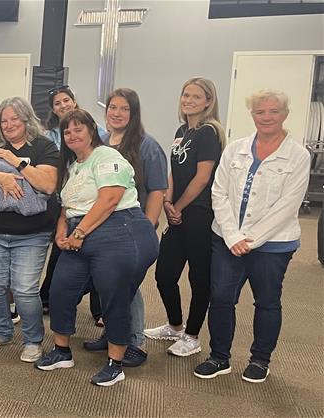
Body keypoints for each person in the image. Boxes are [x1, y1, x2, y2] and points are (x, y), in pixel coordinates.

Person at [34, 109, 158, 387]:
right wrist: (62, 232)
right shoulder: (73, 165)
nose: (72, 135)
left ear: (92, 131)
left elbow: (110, 198)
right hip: (82, 231)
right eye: (67, 132)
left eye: (79, 129)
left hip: (118, 228)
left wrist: (79, 231)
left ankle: (116, 363)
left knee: (112, 294)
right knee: (60, 289)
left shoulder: (107, 156)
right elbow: (67, 206)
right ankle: (62, 351)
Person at [194, 90, 310, 384]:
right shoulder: (236, 149)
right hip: (227, 241)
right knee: (220, 298)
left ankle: (260, 360)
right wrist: (233, 236)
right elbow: (218, 192)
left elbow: (288, 205)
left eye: (273, 111)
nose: (267, 117)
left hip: (273, 245)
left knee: (267, 301)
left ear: (284, 114)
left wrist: (251, 239)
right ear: (252, 115)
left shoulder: (298, 155)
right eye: (260, 112)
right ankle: (219, 357)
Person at [0, 97, 59, 362]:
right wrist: (0, 177)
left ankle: (32, 340)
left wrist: (15, 162)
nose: (8, 125)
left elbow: (47, 184)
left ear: (26, 119)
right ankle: (2, 331)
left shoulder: (43, 146)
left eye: (14, 119)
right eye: (4, 121)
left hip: (31, 234)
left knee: (25, 290)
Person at [81, 88, 168, 367]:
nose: (117, 114)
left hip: (132, 227)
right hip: (102, 226)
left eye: (124, 109)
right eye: (112, 108)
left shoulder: (147, 146)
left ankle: (136, 342)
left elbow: (157, 190)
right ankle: (113, 334)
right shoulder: (102, 142)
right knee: (108, 282)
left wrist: (149, 224)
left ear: (134, 113)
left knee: (127, 284)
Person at [146, 77, 225, 358]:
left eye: (196, 96)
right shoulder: (182, 130)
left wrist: (177, 206)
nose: (188, 100)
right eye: (185, 95)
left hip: (200, 215)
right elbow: (174, 171)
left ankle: (192, 336)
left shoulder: (208, 132)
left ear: (208, 101)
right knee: (164, 274)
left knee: (199, 278)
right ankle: (175, 326)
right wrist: (167, 200)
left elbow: (202, 178)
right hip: (177, 212)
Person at [39, 86, 108, 321]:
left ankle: (99, 310)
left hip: (91, 201)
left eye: (66, 100)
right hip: (64, 199)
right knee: (60, 251)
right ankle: (48, 297)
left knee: (99, 258)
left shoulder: (97, 135)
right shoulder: (50, 134)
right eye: (57, 103)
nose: (63, 106)